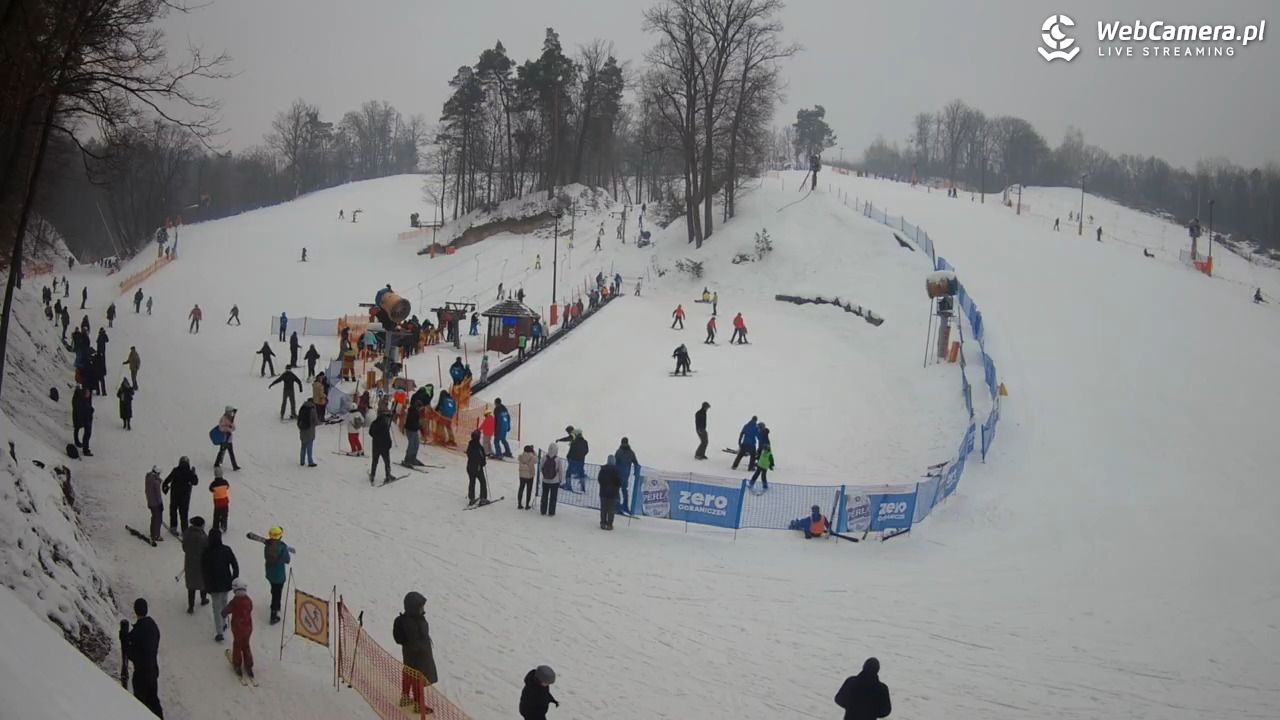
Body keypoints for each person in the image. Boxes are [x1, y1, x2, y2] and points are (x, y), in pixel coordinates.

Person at [392, 591, 438, 713]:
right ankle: (419, 705)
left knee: (408, 674)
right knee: (418, 679)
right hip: (418, 657)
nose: (423, 609)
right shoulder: (413, 622)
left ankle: (405, 697)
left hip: (409, 655)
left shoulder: (407, 619)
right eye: (420, 606)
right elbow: (415, 641)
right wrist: (423, 648)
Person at [123, 598, 163, 717]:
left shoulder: (137, 631)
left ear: (135, 611)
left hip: (141, 675)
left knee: (141, 706)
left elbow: (133, 654)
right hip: (153, 670)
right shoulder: (153, 626)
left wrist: (125, 640)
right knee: (154, 701)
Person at [201, 527, 239, 642]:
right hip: (226, 583)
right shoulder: (226, 550)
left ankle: (219, 632)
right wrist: (234, 578)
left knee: (216, 608)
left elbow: (204, 571)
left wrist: (206, 585)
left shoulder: (206, 552)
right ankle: (223, 623)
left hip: (213, 585)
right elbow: (235, 565)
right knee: (224, 603)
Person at [263, 527, 291, 624]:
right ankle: (274, 614)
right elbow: (287, 560)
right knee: (277, 594)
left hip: (270, 573)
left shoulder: (267, 545)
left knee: (274, 589)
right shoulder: (282, 547)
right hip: (279, 575)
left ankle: (275, 605)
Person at [163, 456, 198, 535]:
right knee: (184, 513)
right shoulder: (189, 472)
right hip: (185, 496)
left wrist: (165, 486)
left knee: (173, 510)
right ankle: (184, 530)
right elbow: (195, 482)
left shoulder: (176, 470)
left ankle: (173, 527)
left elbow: (168, 479)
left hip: (174, 494)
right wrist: (194, 474)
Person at [181, 516, 210, 612]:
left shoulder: (187, 533)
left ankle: (191, 606)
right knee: (203, 582)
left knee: (191, 585)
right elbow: (207, 549)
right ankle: (203, 599)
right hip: (201, 563)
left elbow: (184, 547)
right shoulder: (203, 537)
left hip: (189, 562)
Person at [613, 438, 638, 515]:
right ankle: (624, 505)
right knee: (624, 490)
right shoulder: (631, 452)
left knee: (617, 489)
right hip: (625, 475)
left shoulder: (619, 452)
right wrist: (636, 472)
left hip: (618, 474)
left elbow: (615, 462)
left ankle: (617, 506)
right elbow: (636, 463)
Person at [559, 427, 589, 491]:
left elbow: (571, 451)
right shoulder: (585, 442)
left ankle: (568, 485)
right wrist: (582, 456)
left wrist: (569, 457)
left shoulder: (574, 442)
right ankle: (583, 487)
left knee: (568, 472)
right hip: (581, 460)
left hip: (573, 460)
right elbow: (586, 450)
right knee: (581, 472)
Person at [369, 409, 394, 484]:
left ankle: (372, 475)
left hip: (375, 445)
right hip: (384, 446)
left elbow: (370, 433)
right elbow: (387, 436)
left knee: (374, 461)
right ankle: (388, 475)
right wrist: (389, 444)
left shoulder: (374, 423)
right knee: (387, 461)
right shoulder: (384, 425)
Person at [597, 456, 622, 530]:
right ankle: (609, 525)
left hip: (603, 492)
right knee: (611, 510)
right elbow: (619, 482)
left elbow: (599, 479)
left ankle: (603, 523)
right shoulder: (616, 470)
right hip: (613, 493)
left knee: (603, 508)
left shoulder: (603, 469)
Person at [466, 430, 489, 505]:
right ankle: (483, 498)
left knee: (472, 482)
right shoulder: (479, 447)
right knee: (482, 482)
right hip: (477, 468)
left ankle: (471, 498)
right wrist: (483, 463)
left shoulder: (470, 445)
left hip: (469, 467)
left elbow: (468, 454)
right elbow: (482, 457)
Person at [214, 406, 240, 470]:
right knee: (221, 452)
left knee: (231, 453)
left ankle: (234, 466)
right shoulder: (223, 419)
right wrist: (228, 429)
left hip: (229, 440)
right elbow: (220, 428)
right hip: (224, 439)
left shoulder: (231, 419)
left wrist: (231, 426)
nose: (231, 413)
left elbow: (234, 428)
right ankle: (217, 464)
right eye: (230, 412)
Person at [540, 443, 562, 515]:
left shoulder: (544, 458)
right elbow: (560, 471)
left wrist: (544, 475)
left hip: (545, 481)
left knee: (544, 496)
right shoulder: (558, 459)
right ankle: (551, 512)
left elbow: (541, 468)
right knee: (553, 497)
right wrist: (560, 479)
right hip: (555, 482)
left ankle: (543, 510)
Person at [144, 466, 165, 543]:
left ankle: (152, 533)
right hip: (156, 503)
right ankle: (156, 535)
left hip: (150, 502)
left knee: (154, 517)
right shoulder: (155, 482)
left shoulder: (148, 478)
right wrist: (160, 504)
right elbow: (158, 495)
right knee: (158, 519)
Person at [72, 386, 94, 456]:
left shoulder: (81, 398)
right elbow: (83, 409)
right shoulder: (80, 400)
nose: (89, 395)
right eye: (88, 394)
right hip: (84, 419)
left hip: (84, 418)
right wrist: (90, 411)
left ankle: (80, 444)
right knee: (86, 434)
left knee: (78, 429)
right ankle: (85, 450)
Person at [297, 398, 319, 467]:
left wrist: (300, 427)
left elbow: (299, 419)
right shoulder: (312, 409)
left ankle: (302, 461)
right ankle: (310, 461)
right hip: (310, 431)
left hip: (303, 430)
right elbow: (315, 421)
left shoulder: (302, 408)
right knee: (309, 447)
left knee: (303, 446)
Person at [208, 466, 230, 533]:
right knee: (224, 515)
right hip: (225, 502)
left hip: (217, 503)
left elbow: (210, 489)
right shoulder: (225, 482)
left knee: (216, 515)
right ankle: (224, 526)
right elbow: (227, 487)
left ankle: (215, 527)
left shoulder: (213, 484)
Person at [517, 445, 536, 509]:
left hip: (522, 475)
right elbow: (537, 460)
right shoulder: (532, 457)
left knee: (521, 489)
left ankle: (519, 504)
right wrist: (534, 452)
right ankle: (527, 505)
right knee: (529, 490)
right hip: (530, 475)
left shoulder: (520, 456)